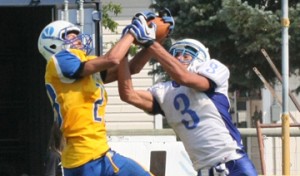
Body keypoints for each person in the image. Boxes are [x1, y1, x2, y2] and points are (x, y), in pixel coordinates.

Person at [37, 10, 171, 175]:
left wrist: (152, 43)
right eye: (70, 36)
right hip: (88, 155)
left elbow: (131, 68)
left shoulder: (85, 67)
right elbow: (112, 59)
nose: (78, 40)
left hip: (92, 154)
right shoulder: (58, 61)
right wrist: (131, 33)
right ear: (52, 44)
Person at [118, 19, 258, 175]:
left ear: (201, 58)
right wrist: (123, 52)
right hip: (203, 170)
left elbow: (184, 78)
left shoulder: (214, 69)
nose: (179, 57)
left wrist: (151, 42)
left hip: (232, 163)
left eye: (187, 55)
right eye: (176, 54)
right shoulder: (164, 91)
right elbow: (128, 94)